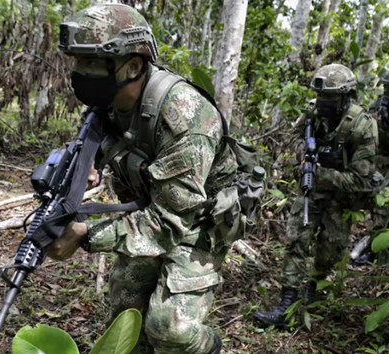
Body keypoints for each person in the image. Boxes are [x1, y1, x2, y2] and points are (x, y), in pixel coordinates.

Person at [47, 4, 260, 354]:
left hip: (199, 221)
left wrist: (85, 233)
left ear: (132, 66)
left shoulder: (185, 116)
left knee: (169, 329)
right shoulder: (110, 102)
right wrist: (88, 163)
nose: (80, 73)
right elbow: (103, 140)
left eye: (92, 63)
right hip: (152, 208)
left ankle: (209, 348)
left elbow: (170, 223)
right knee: (126, 313)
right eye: (77, 62)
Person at [253, 63, 379, 328]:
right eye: (319, 95)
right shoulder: (313, 111)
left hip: (343, 195)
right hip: (313, 189)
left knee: (330, 250)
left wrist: (323, 173)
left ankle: (314, 292)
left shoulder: (362, 126)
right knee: (296, 239)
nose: (321, 101)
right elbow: (294, 134)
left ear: (345, 97)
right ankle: (286, 307)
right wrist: (303, 154)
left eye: (329, 97)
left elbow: (360, 179)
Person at [355, 68, 389, 265]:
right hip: (378, 157)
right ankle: (387, 226)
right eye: (387, 86)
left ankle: (373, 247)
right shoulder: (379, 104)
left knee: (382, 194)